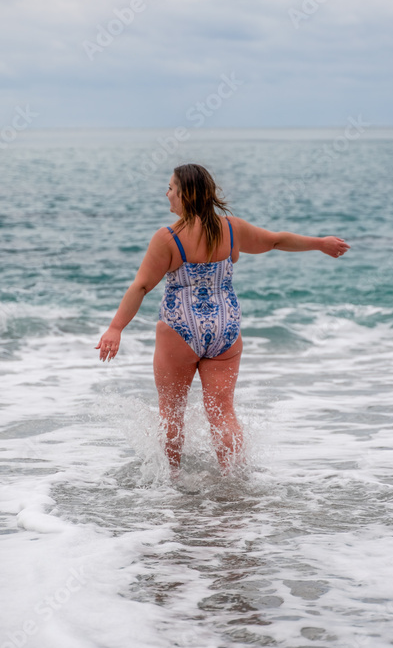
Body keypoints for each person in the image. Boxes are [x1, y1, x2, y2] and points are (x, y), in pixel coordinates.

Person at [95, 163, 349, 477]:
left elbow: (142, 286)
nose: (167, 194)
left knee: (171, 416)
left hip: (179, 327)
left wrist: (115, 328)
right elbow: (275, 240)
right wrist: (320, 243)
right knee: (224, 413)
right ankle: (234, 480)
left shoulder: (168, 238)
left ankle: (171, 484)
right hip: (224, 328)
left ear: (185, 194)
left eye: (171, 189)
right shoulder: (231, 229)